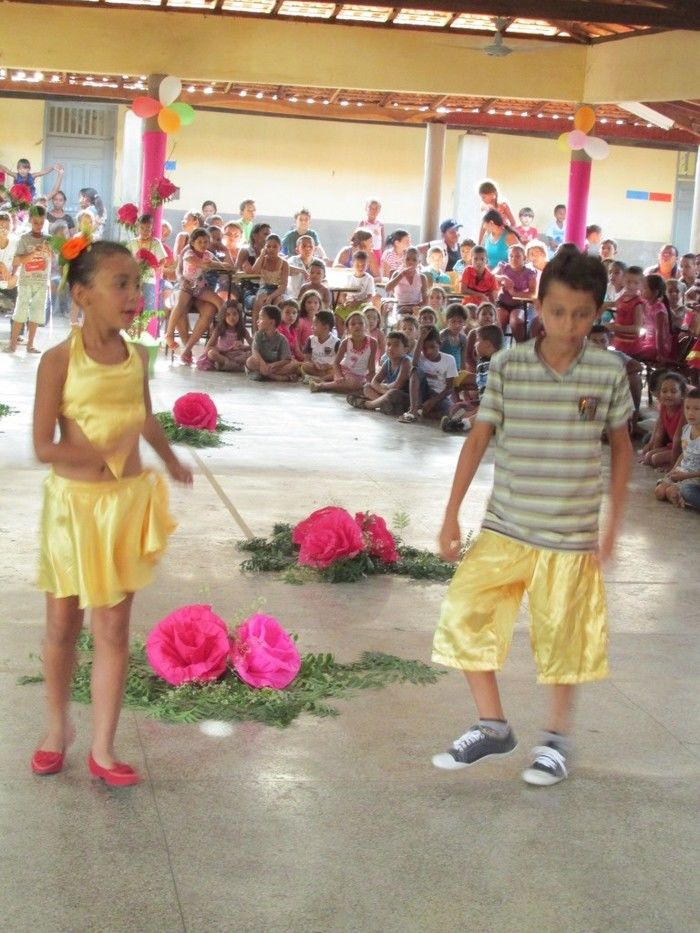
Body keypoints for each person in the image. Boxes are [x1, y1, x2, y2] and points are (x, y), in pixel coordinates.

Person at [431, 248, 634, 786]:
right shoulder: (507, 365)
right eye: (559, 311)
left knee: (564, 639)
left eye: (583, 314)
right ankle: (493, 725)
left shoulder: (609, 371)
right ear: (539, 306)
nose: (569, 325)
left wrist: (612, 527)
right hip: (505, 525)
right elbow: (479, 439)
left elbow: (621, 449)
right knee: (466, 610)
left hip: (569, 535)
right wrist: (451, 514)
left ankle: (557, 741)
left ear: (597, 314)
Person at [31, 239, 192, 786]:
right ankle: (58, 729)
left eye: (137, 284)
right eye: (120, 283)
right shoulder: (58, 361)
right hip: (72, 511)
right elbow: (44, 448)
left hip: (123, 509)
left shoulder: (138, 356)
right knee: (62, 623)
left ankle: (103, 745)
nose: (133, 294)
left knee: (114, 628)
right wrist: (101, 454)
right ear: (82, 295)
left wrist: (169, 459)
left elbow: (143, 418)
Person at [165, 227, 228, 363]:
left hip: (199, 287)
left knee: (219, 303)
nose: (203, 245)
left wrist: (223, 264)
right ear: (192, 242)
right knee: (180, 305)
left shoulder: (207, 254)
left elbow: (220, 265)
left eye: (206, 242)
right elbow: (198, 263)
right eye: (200, 242)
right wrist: (212, 264)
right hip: (186, 285)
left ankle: (219, 333)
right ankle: (169, 334)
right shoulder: (188, 252)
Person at [5, 206, 51, 354]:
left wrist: (49, 252)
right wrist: (32, 254)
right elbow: (15, 261)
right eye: (36, 222)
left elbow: (54, 258)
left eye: (41, 223)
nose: (38, 225)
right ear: (30, 220)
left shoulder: (48, 239)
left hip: (42, 282)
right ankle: (12, 344)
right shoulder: (24, 239)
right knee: (20, 311)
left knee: (37, 312)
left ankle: (30, 344)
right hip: (25, 281)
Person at [441, 324, 504, 433]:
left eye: (477, 341)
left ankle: (463, 424)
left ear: (488, 345)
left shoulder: (499, 363)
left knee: (487, 414)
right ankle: (474, 421)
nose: (474, 344)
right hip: (486, 404)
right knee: (456, 408)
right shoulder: (483, 361)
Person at [398, 324, 457, 425]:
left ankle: (421, 412)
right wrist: (421, 338)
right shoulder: (420, 357)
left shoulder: (449, 359)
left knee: (450, 411)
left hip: (439, 396)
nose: (428, 351)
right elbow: (414, 366)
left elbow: (449, 388)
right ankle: (413, 409)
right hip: (421, 394)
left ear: (440, 344)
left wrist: (433, 401)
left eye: (432, 347)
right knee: (415, 370)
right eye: (424, 348)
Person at [309, 311, 376, 394]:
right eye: (353, 324)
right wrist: (339, 375)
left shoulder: (373, 343)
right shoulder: (345, 342)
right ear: (348, 328)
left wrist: (370, 380)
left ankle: (334, 385)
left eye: (361, 323)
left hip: (361, 375)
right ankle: (322, 386)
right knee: (352, 383)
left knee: (363, 385)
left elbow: (371, 367)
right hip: (345, 371)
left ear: (366, 325)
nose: (357, 326)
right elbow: (336, 363)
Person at [588, 324, 643, 423]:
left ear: (609, 342)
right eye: (594, 341)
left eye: (603, 341)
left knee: (633, 379)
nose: (599, 345)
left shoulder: (615, 356)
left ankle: (631, 422)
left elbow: (638, 366)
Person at [654, 388, 700, 506]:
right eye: (687, 408)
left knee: (673, 492)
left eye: (697, 409)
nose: (690, 413)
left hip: (695, 476)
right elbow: (684, 453)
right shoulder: (686, 429)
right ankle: (679, 494)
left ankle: (682, 495)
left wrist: (685, 476)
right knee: (659, 492)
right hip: (682, 471)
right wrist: (674, 469)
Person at [348, 330, 411, 414]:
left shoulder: (406, 362)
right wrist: (383, 390)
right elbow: (374, 381)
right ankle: (384, 405)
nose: (390, 348)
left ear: (405, 350)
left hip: (403, 397)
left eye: (396, 345)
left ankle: (368, 404)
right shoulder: (387, 362)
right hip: (387, 394)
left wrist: (384, 388)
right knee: (367, 386)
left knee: (392, 393)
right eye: (388, 344)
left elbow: (398, 386)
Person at [639, 372, 686, 468]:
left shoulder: (684, 410)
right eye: (664, 391)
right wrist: (651, 448)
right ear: (659, 393)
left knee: (655, 459)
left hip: (683, 449)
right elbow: (659, 433)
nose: (668, 395)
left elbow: (677, 439)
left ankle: (678, 465)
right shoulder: (664, 407)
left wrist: (672, 467)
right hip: (671, 445)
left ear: (682, 394)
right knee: (649, 457)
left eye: (673, 391)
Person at [494, 243, 537, 342]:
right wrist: (503, 277)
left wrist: (514, 293)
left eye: (518, 256)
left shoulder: (529, 272)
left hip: (518, 304)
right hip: (502, 303)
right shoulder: (503, 267)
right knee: (499, 323)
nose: (514, 259)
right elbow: (491, 276)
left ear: (524, 258)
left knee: (516, 322)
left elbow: (532, 293)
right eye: (511, 256)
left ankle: (520, 349)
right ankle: (497, 349)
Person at [245, 304, 299, 382]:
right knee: (250, 361)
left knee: (295, 365)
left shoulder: (282, 339)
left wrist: (272, 365)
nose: (257, 321)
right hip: (261, 364)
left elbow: (286, 360)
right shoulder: (258, 335)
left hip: (275, 366)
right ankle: (276, 377)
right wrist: (263, 363)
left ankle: (266, 375)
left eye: (260, 318)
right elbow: (255, 351)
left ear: (271, 322)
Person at [126, 214, 166, 313]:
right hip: (134, 278)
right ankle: (132, 326)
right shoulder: (132, 243)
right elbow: (125, 259)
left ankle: (147, 325)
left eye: (148, 228)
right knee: (132, 303)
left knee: (149, 304)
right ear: (137, 228)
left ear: (152, 228)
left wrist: (155, 266)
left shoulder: (156, 243)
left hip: (150, 277)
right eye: (142, 228)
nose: (145, 231)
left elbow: (162, 260)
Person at [196, 301, 251, 372]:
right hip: (224, 355)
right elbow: (207, 348)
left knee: (251, 355)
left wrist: (244, 347)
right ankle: (232, 365)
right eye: (228, 315)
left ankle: (230, 365)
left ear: (239, 315)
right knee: (211, 353)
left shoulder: (242, 330)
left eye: (234, 314)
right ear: (223, 316)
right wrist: (223, 349)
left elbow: (254, 346)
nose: (231, 317)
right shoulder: (219, 329)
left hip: (237, 356)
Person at [333, 250, 376, 335]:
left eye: (363, 265)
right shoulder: (348, 277)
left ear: (367, 265)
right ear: (353, 264)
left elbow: (370, 297)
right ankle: (341, 336)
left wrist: (358, 302)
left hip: (362, 304)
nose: (360, 267)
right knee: (338, 311)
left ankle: (361, 334)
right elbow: (343, 294)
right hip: (349, 303)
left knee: (366, 309)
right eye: (357, 265)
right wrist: (344, 302)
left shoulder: (369, 278)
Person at [250, 234, 289, 325]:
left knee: (278, 300)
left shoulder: (284, 263)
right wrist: (262, 254)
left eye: (275, 247)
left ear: (280, 248)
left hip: (279, 290)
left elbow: (283, 286)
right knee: (260, 299)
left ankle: (273, 328)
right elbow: (254, 271)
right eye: (268, 246)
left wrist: (271, 297)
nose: (271, 249)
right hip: (264, 287)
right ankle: (257, 330)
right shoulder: (262, 259)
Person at [636, 274, 673, 364]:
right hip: (648, 342)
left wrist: (661, 355)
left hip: (658, 346)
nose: (641, 291)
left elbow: (659, 334)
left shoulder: (659, 310)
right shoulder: (647, 304)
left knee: (634, 352)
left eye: (645, 288)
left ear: (655, 292)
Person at [611, 265, 645, 356]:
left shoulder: (638, 303)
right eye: (628, 282)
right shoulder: (623, 297)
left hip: (630, 345)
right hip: (618, 342)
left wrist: (615, 328)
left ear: (641, 285)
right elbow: (614, 307)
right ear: (623, 281)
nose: (631, 285)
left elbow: (637, 328)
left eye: (636, 283)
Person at [386, 247, 428, 315]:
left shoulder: (422, 277)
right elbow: (387, 289)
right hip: (399, 307)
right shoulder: (397, 274)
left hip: (416, 308)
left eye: (414, 260)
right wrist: (401, 275)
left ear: (419, 262)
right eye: (407, 259)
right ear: (403, 260)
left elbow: (425, 300)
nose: (410, 262)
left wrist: (415, 308)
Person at [301, 309, 339, 383]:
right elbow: (307, 359)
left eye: (315, 324)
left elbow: (340, 362)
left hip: (329, 368)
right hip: (316, 368)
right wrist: (314, 364)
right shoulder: (310, 339)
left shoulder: (336, 342)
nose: (312, 327)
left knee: (336, 371)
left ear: (326, 327)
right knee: (305, 366)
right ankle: (324, 378)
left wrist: (328, 366)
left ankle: (319, 379)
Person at [440, 304, 468, 373]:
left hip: (457, 371)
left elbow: (463, 360)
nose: (457, 325)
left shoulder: (463, 338)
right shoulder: (442, 336)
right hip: (443, 371)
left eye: (460, 322)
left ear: (464, 322)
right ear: (447, 321)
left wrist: (463, 373)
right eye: (453, 321)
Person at [0, 210, 18, 315]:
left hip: (9, 281)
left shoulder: (16, 242)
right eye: (0, 226)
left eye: (6, 227)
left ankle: (17, 323)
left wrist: (15, 278)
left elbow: (19, 265)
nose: (3, 230)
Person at [278, 298, 305, 362]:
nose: (291, 315)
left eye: (294, 313)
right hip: (281, 360)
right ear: (281, 313)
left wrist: (308, 360)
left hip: (292, 360)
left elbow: (297, 352)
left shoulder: (293, 330)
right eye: (287, 312)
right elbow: (279, 353)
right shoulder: (278, 330)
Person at [358, 198, 384, 265]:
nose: (373, 211)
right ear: (366, 209)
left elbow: (382, 241)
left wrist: (383, 254)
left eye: (376, 209)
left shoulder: (380, 224)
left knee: (376, 270)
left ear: (379, 210)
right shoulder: (362, 223)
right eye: (371, 208)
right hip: (365, 251)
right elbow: (356, 239)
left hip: (377, 252)